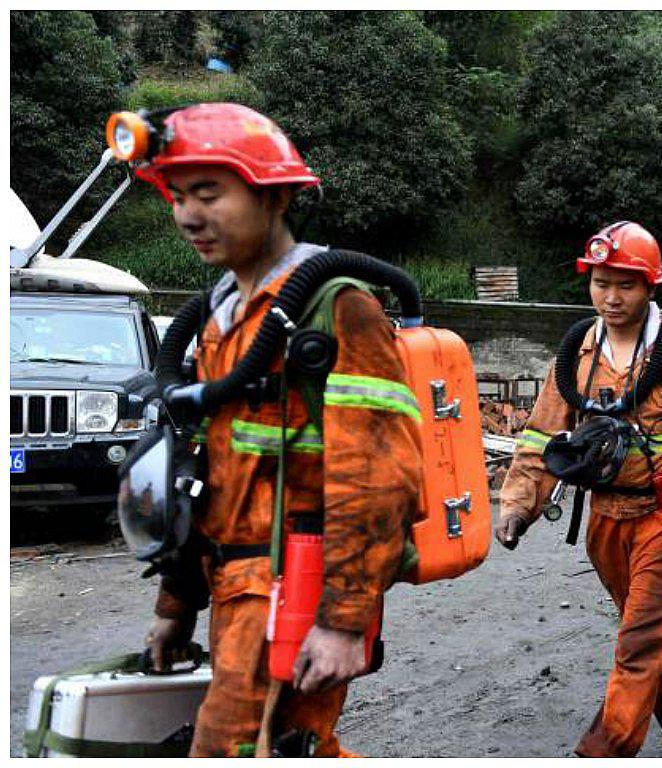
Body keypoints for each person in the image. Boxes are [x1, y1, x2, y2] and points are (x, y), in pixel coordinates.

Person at [140, 103, 422, 757]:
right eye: (178, 196)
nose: (188, 214)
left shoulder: (337, 306)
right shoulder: (218, 318)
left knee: (233, 749)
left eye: (209, 192)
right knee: (296, 746)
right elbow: (203, 478)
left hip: (297, 585)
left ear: (274, 195)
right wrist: (176, 605)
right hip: (234, 585)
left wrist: (345, 619)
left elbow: (377, 477)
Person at [495, 221, 662, 758]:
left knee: (640, 641)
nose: (611, 297)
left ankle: (602, 750)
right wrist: (519, 502)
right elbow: (544, 431)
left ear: (650, 286)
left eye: (625, 285)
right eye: (601, 283)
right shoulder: (578, 353)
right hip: (607, 522)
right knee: (651, 632)